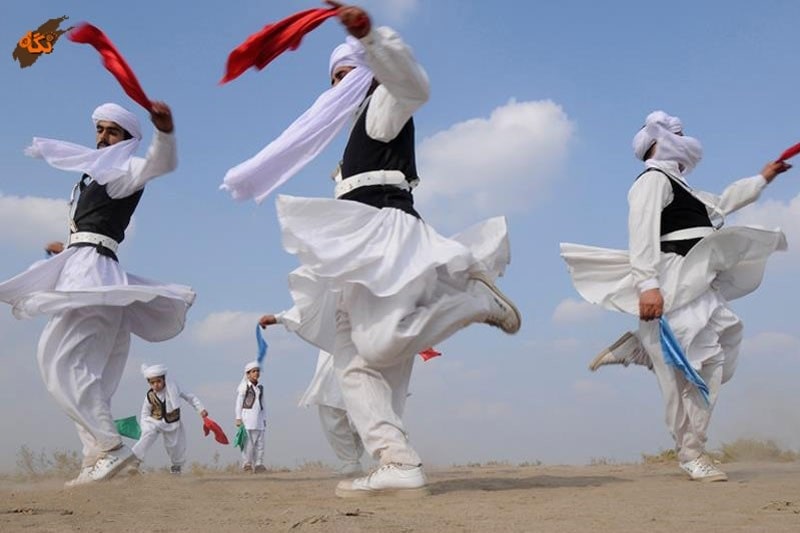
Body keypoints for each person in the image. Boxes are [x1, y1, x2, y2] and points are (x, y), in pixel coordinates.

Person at [233, 3, 520, 498]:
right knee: (361, 364)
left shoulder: (382, 105)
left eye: (349, 74)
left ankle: (471, 301)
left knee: (373, 351)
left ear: (368, 74)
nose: (340, 85)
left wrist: (371, 39)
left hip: (384, 234)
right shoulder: (351, 139)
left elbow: (414, 87)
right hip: (364, 243)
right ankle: (396, 460)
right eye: (334, 79)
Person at [561, 110, 791, 482]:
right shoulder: (652, 180)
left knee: (716, 358)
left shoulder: (685, 189)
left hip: (699, 282)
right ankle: (691, 452)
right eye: (678, 135)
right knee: (687, 374)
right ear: (659, 142)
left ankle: (644, 348)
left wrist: (762, 178)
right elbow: (641, 232)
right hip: (671, 282)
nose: (685, 140)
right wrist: (647, 285)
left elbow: (723, 202)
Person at [0, 102, 195, 486]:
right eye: (100, 130)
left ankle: (110, 447)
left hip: (95, 278)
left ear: (127, 139)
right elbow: (94, 231)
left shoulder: (124, 171)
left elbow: (160, 163)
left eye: (112, 131)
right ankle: (98, 459)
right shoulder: (91, 178)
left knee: (57, 361)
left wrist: (165, 132)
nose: (103, 137)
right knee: (93, 377)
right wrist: (69, 247)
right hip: (89, 271)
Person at [131, 364, 207, 474]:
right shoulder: (149, 396)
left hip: (172, 423)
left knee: (175, 446)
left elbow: (190, 397)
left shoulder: (174, 388)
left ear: (164, 380)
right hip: (154, 421)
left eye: (158, 381)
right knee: (147, 435)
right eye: (152, 383)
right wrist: (145, 427)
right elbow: (144, 413)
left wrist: (201, 409)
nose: (156, 385)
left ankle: (176, 467)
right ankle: (134, 461)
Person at [235, 361, 267, 473]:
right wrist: (238, 418)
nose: (256, 373)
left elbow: (263, 405)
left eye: (257, 371)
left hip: (259, 421)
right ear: (248, 374)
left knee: (260, 444)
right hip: (247, 420)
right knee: (247, 444)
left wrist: (264, 419)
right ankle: (247, 464)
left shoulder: (260, 388)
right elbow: (239, 403)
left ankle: (258, 464)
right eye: (253, 371)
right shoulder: (244, 387)